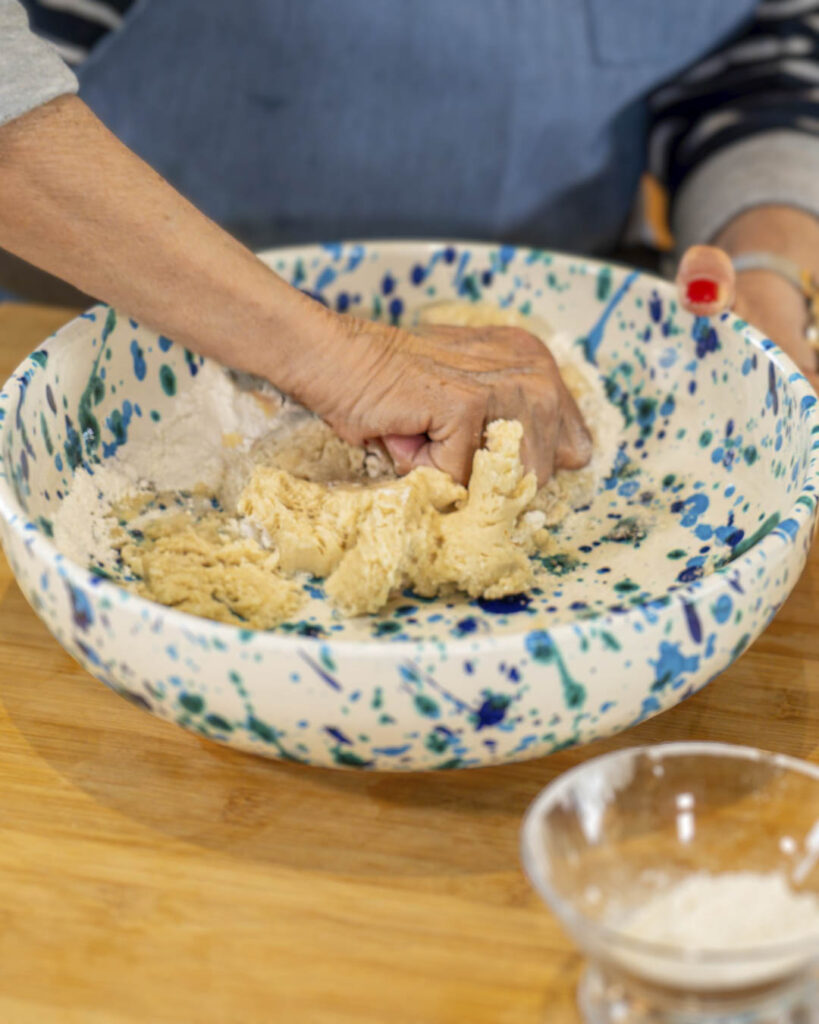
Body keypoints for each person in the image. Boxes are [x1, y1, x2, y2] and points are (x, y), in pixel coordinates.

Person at [1, 0, 818, 485]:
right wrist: (340, 357)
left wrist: (764, 265)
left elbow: (749, 68)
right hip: (107, 330)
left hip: (558, 331)